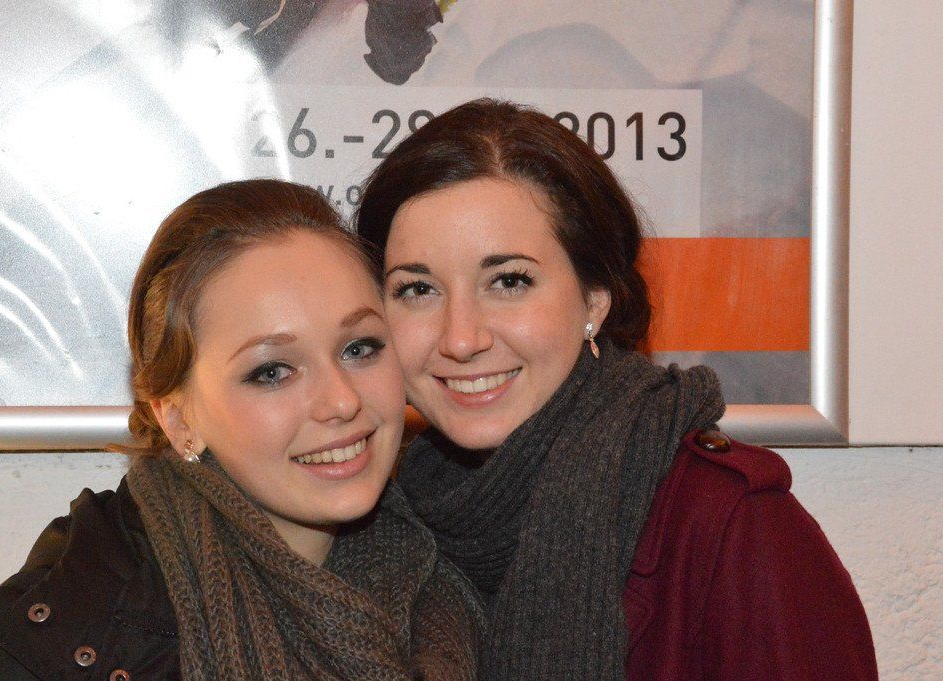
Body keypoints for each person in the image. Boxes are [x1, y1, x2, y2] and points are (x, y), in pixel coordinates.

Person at [356, 99, 877, 680]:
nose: (460, 339)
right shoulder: (380, 526)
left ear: (594, 302)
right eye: (417, 290)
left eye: (509, 281)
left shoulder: (735, 527)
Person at [0, 180, 482, 680]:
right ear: (178, 418)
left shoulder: (455, 579)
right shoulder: (49, 648)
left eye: (359, 348)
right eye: (272, 372)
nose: (341, 401)